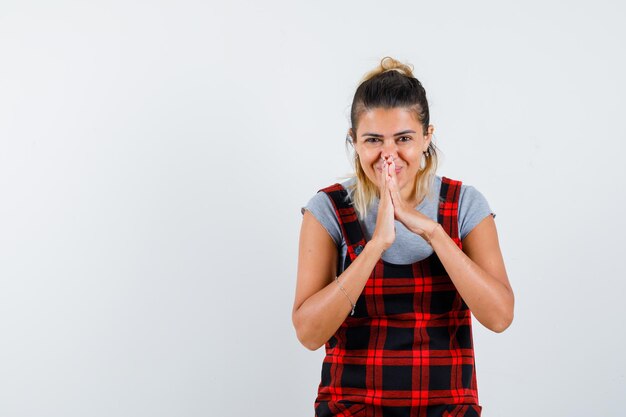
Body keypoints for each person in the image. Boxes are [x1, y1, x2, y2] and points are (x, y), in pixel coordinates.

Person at [291, 56, 514, 417]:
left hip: (449, 409)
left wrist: (433, 231)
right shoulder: (328, 208)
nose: (388, 156)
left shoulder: (464, 205)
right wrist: (376, 243)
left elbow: (500, 317)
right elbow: (309, 334)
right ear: (354, 141)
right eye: (373, 140)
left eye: (404, 138)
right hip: (351, 408)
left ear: (427, 137)